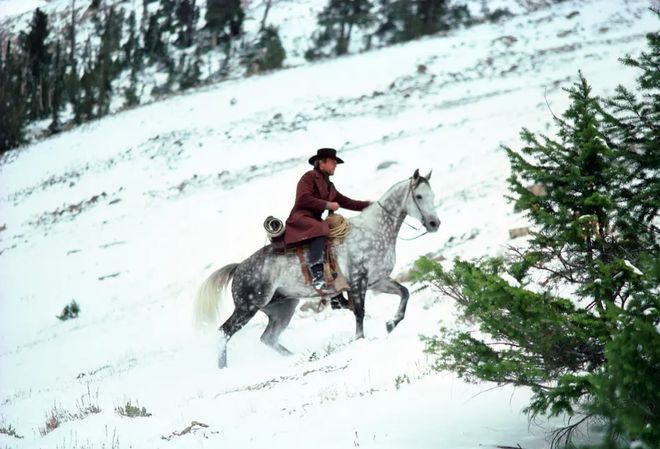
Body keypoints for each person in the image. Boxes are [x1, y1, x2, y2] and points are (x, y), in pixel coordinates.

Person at [284, 148, 370, 296]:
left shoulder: (330, 187)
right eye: (332, 162)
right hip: (300, 218)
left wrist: (372, 205)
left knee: (334, 243)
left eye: (336, 163)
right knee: (323, 227)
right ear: (321, 164)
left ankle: (336, 293)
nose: (335, 165)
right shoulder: (309, 177)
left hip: (314, 221)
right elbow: (303, 198)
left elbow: (348, 202)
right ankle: (316, 271)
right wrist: (327, 205)